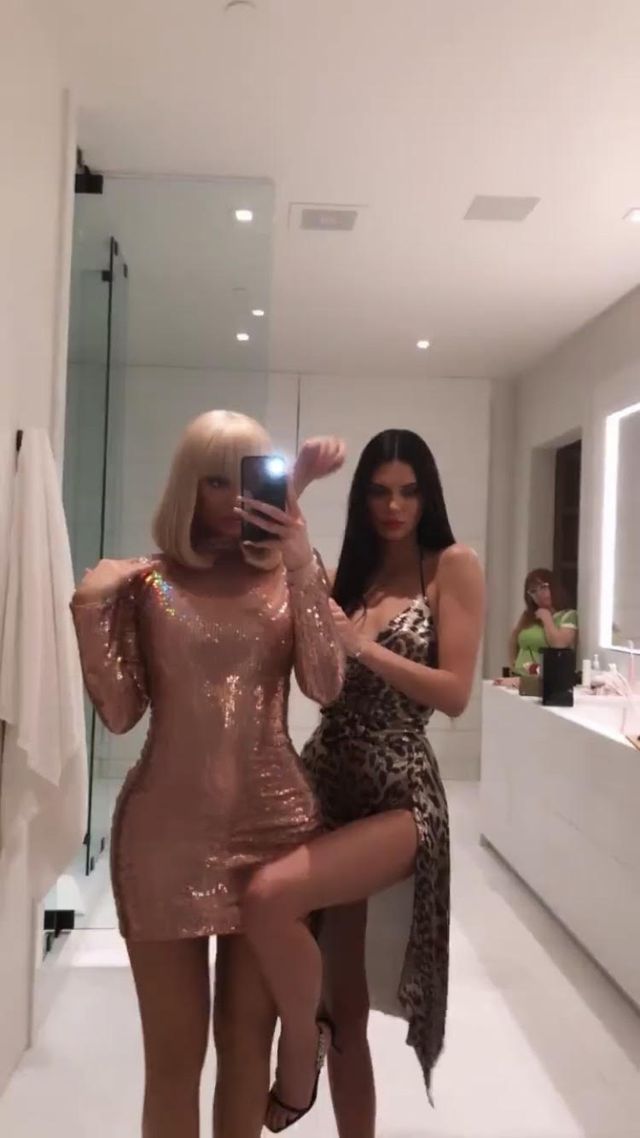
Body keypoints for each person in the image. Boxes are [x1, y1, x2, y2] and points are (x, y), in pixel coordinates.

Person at [70, 410, 345, 1138]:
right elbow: (120, 713)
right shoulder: (146, 584)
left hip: (274, 835)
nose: (232, 498)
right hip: (162, 841)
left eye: (246, 479)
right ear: (187, 486)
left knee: (246, 1051)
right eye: (215, 481)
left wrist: (301, 566)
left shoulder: (292, 575)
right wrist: (92, 608)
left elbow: (326, 683)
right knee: (173, 1060)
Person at [241, 428, 485, 1136]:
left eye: (409, 491)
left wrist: (363, 648)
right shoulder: (354, 573)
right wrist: (298, 479)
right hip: (326, 777)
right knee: (344, 1007)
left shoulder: (453, 565)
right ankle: (323, 1044)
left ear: (429, 495)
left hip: (401, 789)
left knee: (269, 897)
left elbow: (455, 692)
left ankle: (299, 1050)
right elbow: (273, 549)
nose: (394, 506)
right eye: (379, 492)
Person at [508, 568, 578, 676]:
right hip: (519, 675)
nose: (539, 594)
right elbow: (514, 639)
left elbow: (559, 644)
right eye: (533, 591)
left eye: (543, 587)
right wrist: (513, 664)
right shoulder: (528, 615)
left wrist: (547, 619)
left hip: (545, 679)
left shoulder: (568, 615)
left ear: (553, 587)